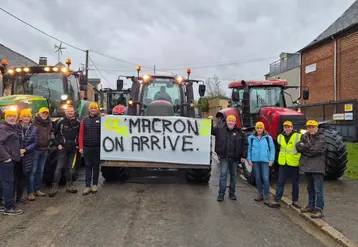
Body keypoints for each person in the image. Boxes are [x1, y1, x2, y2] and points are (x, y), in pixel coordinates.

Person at [210, 115, 247, 201]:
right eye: (229, 121)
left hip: (234, 158)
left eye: (232, 121)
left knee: (234, 176)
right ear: (226, 122)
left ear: (235, 122)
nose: (230, 122)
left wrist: (244, 156)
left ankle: (232, 193)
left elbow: (244, 145)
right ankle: (221, 194)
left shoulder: (239, 132)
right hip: (224, 157)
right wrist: (211, 121)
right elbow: (211, 131)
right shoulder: (220, 129)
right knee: (223, 175)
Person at [296, 120, 327, 219]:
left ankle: (319, 209)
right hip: (307, 167)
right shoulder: (305, 136)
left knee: (318, 190)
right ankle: (310, 205)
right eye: (309, 127)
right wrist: (307, 148)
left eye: (313, 127)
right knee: (310, 189)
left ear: (317, 128)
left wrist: (305, 149)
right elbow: (298, 146)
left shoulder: (322, 138)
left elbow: (315, 151)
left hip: (317, 168)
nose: (311, 129)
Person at [269, 121, 302, 209]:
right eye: (285, 127)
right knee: (280, 182)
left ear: (292, 127)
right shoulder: (280, 137)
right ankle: (276, 200)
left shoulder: (298, 136)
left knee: (295, 183)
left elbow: (301, 148)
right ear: (283, 128)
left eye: (289, 127)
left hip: (294, 162)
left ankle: (295, 200)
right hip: (283, 163)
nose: (287, 129)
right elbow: (278, 148)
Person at [49, 106, 80, 197]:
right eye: (68, 111)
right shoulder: (60, 122)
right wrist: (57, 144)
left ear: (74, 112)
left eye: (71, 111)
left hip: (73, 148)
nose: (70, 112)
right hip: (62, 148)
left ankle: (69, 186)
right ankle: (54, 187)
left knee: (70, 168)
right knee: (59, 167)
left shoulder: (78, 122)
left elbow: (80, 134)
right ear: (65, 112)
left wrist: (78, 145)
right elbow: (53, 134)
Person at [0, 109, 23, 215]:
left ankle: (1, 205)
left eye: (14, 116)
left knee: (3, 182)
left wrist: (17, 153)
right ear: (5, 117)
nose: (12, 118)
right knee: (8, 183)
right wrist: (7, 157)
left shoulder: (12, 128)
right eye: (10, 116)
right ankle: (9, 208)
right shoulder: (3, 128)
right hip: (6, 161)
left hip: (9, 159)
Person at [247, 121, 275, 205]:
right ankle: (260, 194)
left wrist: (271, 160)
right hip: (255, 161)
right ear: (255, 128)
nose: (259, 129)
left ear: (263, 128)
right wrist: (249, 159)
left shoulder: (268, 138)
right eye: (258, 128)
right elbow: (249, 149)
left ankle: (266, 196)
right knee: (257, 178)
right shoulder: (251, 138)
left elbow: (272, 149)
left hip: (265, 161)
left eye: (261, 128)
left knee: (265, 178)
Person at [28, 107, 52, 200]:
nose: (44, 115)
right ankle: (30, 192)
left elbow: (51, 133)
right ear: (39, 113)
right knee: (32, 171)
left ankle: (37, 189)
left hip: (45, 149)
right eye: (43, 113)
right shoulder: (33, 123)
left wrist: (51, 142)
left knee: (40, 171)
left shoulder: (49, 123)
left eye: (46, 113)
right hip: (35, 150)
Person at [79, 102, 101, 195]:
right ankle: (87, 186)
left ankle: (95, 185)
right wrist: (81, 147)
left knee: (96, 166)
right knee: (88, 166)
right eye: (91, 108)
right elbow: (81, 134)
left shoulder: (101, 119)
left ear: (97, 110)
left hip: (97, 146)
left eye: (94, 108)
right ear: (89, 110)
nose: (93, 110)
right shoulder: (85, 120)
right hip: (87, 147)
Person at [16, 109, 37, 204]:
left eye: (28, 116)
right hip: (15, 154)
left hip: (27, 155)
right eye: (24, 116)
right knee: (12, 177)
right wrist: (18, 150)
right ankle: (9, 197)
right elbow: (13, 140)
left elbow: (34, 142)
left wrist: (25, 149)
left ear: (30, 118)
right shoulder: (16, 127)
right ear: (21, 117)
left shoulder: (34, 129)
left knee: (23, 176)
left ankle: (19, 197)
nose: (26, 118)